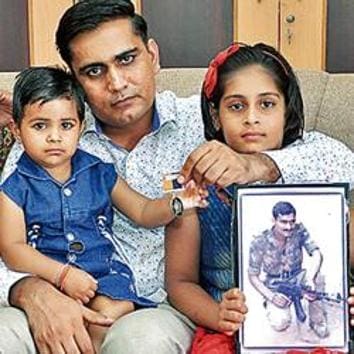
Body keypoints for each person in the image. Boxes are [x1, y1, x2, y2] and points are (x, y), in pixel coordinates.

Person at [0, 1, 353, 353]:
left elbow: (336, 163)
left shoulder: (206, 122)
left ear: (152, 55)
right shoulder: (51, 135)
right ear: (73, 80)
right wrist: (31, 291)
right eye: (94, 71)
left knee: (139, 342)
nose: (117, 83)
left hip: (162, 307)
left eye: (127, 59)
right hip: (62, 292)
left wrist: (258, 164)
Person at [0, 66, 207, 351]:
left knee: (108, 315)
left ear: (81, 127)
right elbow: (12, 249)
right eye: (40, 126)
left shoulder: (98, 171)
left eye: (66, 125)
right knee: (56, 326)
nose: (54, 137)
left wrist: (178, 203)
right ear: (17, 131)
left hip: (104, 277)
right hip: (49, 279)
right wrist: (62, 276)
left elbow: (143, 211)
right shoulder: (15, 185)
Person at [165, 42, 354, 353]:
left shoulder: (319, 161)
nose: (252, 118)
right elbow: (179, 282)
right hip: (231, 328)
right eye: (236, 106)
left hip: (316, 325)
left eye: (266, 104)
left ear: (286, 110)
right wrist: (217, 314)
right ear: (215, 117)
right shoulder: (195, 184)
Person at [248, 201, 328, 339]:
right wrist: (271, 296)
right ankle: (271, 306)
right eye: (283, 222)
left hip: (297, 276)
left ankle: (317, 321)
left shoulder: (299, 230)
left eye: (292, 221)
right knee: (280, 323)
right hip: (275, 284)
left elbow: (317, 254)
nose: (289, 226)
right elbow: (253, 275)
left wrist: (310, 279)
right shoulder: (260, 241)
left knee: (318, 277)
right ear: (274, 220)